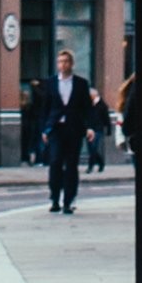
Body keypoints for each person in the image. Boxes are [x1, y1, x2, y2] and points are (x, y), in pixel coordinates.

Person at [38, 51, 92, 215]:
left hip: (74, 129)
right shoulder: (50, 83)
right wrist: (44, 129)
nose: (63, 65)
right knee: (55, 162)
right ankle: (55, 198)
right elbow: (45, 108)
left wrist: (89, 127)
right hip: (55, 129)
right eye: (60, 62)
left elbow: (86, 108)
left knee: (71, 166)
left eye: (66, 62)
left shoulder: (81, 84)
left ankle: (68, 201)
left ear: (71, 64)